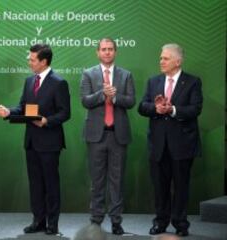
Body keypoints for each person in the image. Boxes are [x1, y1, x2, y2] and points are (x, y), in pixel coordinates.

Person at [0, 44, 71, 235]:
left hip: (50, 142)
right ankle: (38, 221)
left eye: (32, 59)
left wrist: (47, 121)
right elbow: (23, 107)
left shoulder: (59, 82)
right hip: (31, 141)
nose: (29, 62)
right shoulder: (29, 81)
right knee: (36, 184)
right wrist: (8, 112)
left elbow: (65, 113)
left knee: (51, 184)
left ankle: (52, 224)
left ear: (44, 61)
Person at [138, 43, 203, 237]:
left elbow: (195, 109)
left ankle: (180, 224)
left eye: (165, 58)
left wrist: (172, 110)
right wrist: (155, 109)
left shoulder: (192, 82)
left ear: (178, 61)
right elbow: (142, 106)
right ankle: (160, 222)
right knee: (160, 187)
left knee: (181, 186)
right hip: (158, 145)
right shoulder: (153, 82)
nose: (161, 61)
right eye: (161, 58)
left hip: (182, 144)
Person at [80, 37, 135, 235]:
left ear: (116, 52)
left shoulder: (126, 75)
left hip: (118, 135)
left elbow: (131, 101)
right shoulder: (88, 74)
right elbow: (85, 100)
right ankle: (96, 219)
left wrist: (115, 97)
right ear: (98, 52)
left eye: (110, 49)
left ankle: (116, 221)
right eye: (103, 49)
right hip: (96, 136)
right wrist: (103, 94)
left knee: (117, 180)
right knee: (96, 181)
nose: (107, 52)